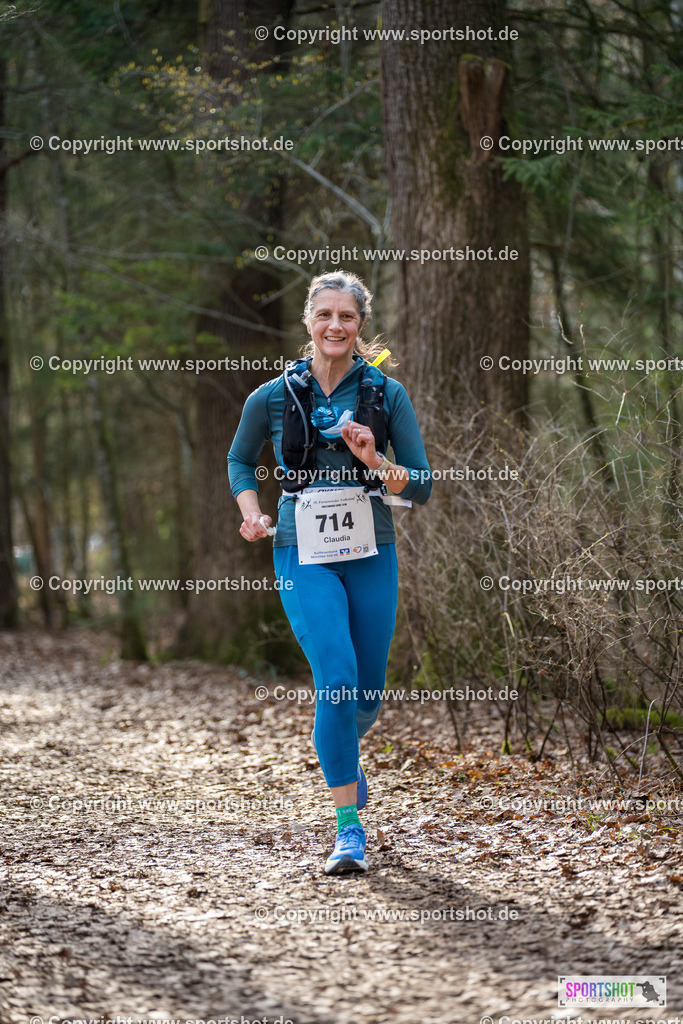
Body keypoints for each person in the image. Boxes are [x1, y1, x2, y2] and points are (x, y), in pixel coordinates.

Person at [228, 270, 431, 875]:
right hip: (300, 549)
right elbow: (240, 458)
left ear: (360, 326)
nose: (335, 327)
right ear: (308, 324)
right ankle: (349, 829)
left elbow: (418, 489)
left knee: (364, 693)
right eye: (325, 316)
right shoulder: (271, 395)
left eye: (347, 317)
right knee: (336, 680)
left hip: (372, 550)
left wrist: (375, 458)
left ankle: (343, 749)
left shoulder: (387, 395)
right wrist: (252, 512)